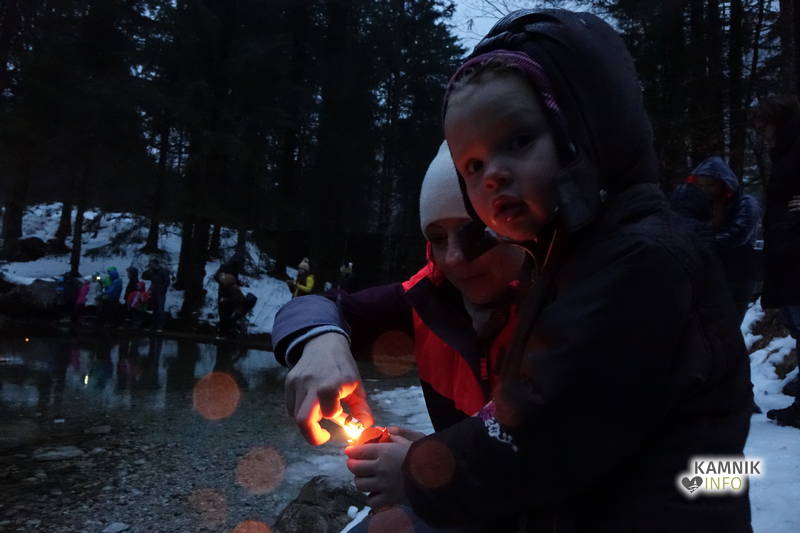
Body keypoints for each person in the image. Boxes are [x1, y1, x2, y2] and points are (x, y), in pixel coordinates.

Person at [342, 10, 751, 532]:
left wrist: (421, 469)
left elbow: (548, 427)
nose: (493, 176)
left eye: (518, 140)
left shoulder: (641, 261)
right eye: (473, 166)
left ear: (587, 129)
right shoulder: (571, 259)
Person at [273, 142, 528, 532]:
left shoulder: (570, 308)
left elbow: (567, 469)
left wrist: (430, 471)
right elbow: (316, 305)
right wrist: (322, 341)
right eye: (437, 238)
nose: (454, 258)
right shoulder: (426, 300)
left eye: (474, 232)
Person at [670, 156, 761, 323]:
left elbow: (737, 235)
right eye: (700, 186)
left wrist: (702, 240)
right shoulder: (697, 206)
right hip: (709, 274)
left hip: (738, 274)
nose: (705, 190)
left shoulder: (745, 203)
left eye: (711, 185)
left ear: (723, 184)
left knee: (729, 325)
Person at [755, 96, 800, 427]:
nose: (762, 134)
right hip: (788, 249)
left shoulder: (794, 150)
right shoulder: (786, 151)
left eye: (763, 126)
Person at [142, 257, 171, 331]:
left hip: (160, 293)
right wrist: (149, 270)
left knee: (160, 309)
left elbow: (167, 282)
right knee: (154, 309)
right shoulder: (152, 272)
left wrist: (161, 289)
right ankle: (153, 325)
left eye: (151, 264)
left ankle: (160, 326)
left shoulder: (163, 271)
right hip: (153, 292)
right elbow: (144, 277)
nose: (150, 265)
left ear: (156, 264)